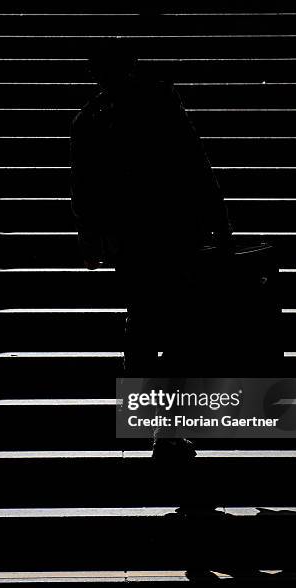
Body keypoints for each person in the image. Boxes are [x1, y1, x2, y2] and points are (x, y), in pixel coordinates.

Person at [70, 40, 232, 380]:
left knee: (144, 316)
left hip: (133, 235)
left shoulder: (90, 120)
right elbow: (194, 161)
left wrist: (90, 237)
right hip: (173, 227)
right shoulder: (159, 101)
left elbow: (85, 188)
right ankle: (170, 409)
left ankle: (148, 404)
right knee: (176, 316)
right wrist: (217, 216)